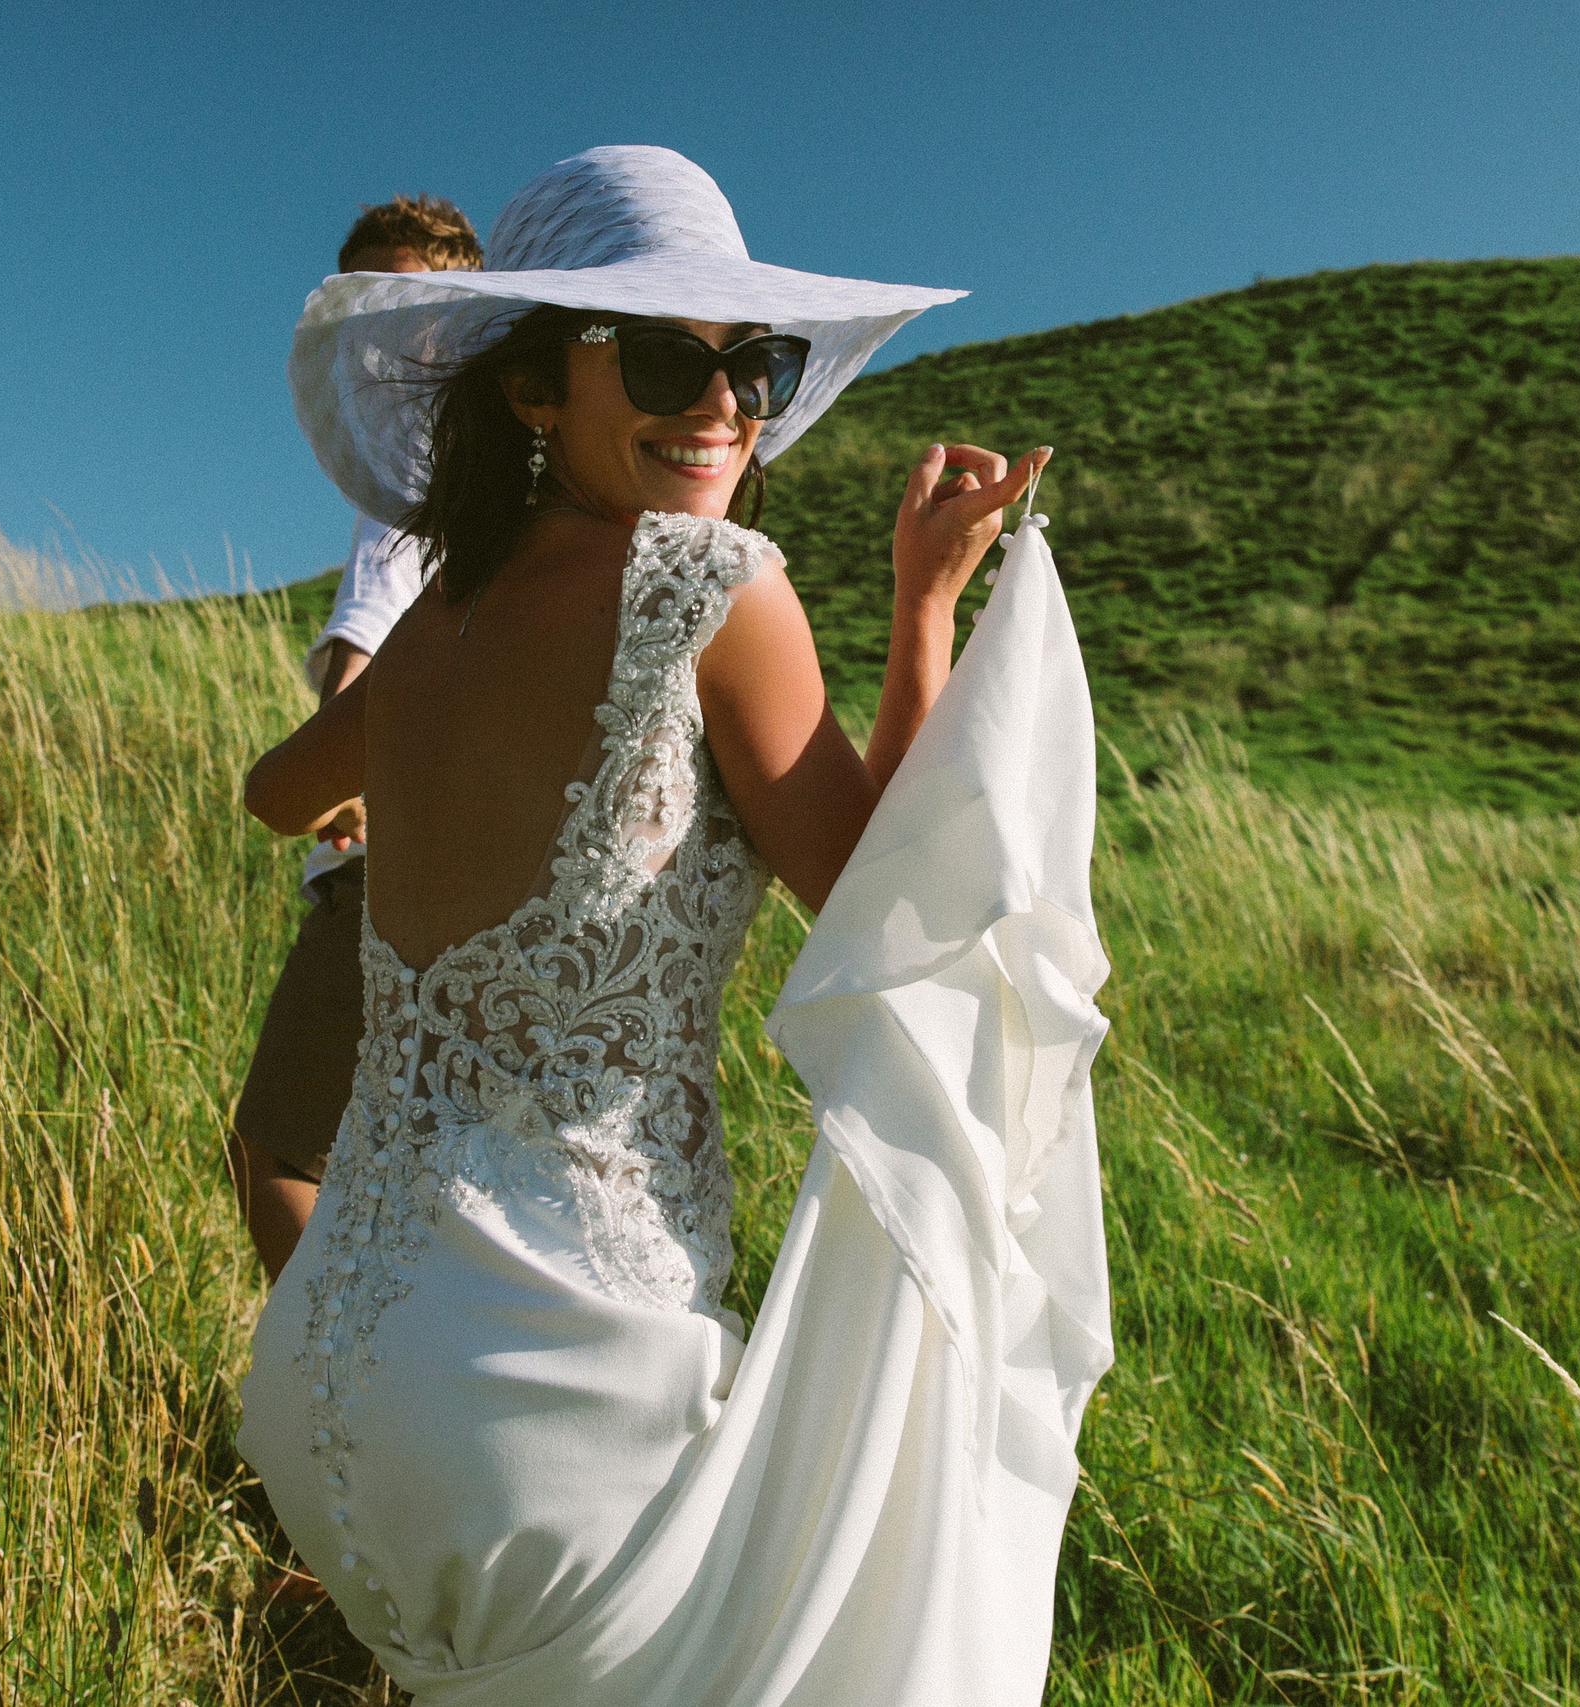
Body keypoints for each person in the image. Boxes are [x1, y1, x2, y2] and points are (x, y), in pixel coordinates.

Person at [240, 147, 1109, 1704]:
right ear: (531, 390)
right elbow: (880, 903)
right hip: (553, 1397)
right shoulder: (715, 584)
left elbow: (272, 790)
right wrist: (924, 615)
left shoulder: (432, 607)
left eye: (753, 365)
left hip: (323, 1370)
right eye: (660, 356)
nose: (721, 405)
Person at [229, 194, 484, 1286]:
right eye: (369, 304)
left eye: (416, 300)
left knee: (275, 1150)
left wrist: (337, 770)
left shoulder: (414, 477)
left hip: (386, 864)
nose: (389, 326)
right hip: (487, 863)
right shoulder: (504, 466)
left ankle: (336, 1410)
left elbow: (366, 643)